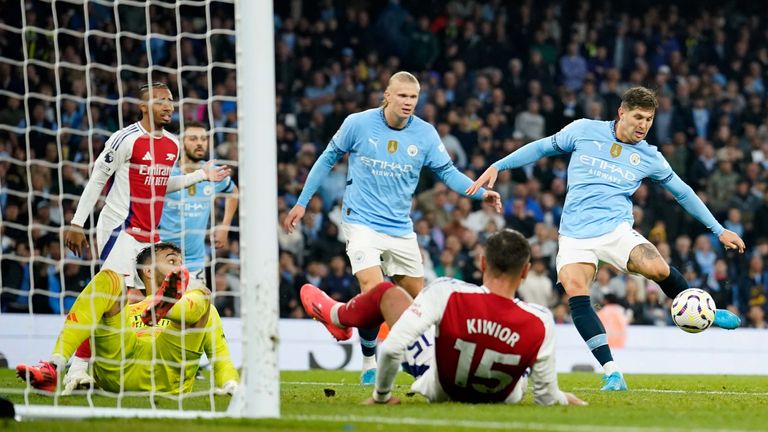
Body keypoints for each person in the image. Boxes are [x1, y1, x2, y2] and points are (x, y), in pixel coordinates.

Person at [467, 87, 746, 391]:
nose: (643, 125)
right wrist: (499, 165)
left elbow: (683, 193)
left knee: (657, 269)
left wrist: (718, 229)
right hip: (574, 235)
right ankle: (612, 372)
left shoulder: (650, 157)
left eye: (649, 119)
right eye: (638, 117)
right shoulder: (583, 130)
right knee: (576, 290)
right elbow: (541, 148)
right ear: (622, 113)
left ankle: (703, 309)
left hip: (616, 231)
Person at [283, 71, 501, 384]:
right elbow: (326, 159)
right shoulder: (357, 123)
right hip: (361, 222)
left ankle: (342, 319)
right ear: (387, 95)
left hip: (400, 228)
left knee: (418, 303)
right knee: (374, 291)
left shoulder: (425, 135)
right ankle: (370, 359)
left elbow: (449, 173)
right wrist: (302, 202)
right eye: (402, 96)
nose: (408, 102)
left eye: (413, 97)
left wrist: (483, 193)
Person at [62, 82, 230, 391]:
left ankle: (215, 372)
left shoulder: (171, 146)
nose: (168, 106)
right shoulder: (125, 139)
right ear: (143, 106)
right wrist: (76, 222)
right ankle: (77, 368)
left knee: (154, 298)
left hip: (150, 235)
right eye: (161, 101)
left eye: (171, 101)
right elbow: (99, 177)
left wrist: (200, 176)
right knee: (111, 295)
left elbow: (162, 186)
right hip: (120, 229)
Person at [301, 229, 586, 406]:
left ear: (483, 263)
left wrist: (381, 397)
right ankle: (336, 315)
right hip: (504, 394)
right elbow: (545, 396)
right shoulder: (540, 319)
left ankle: (336, 314)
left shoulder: (449, 292)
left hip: (439, 386)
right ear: (525, 272)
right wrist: (564, 399)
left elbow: (390, 349)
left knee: (388, 292)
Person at [16, 242, 239, 395]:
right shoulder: (126, 306)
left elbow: (220, 355)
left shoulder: (197, 306)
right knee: (110, 277)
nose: (180, 267)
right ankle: (53, 366)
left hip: (166, 368)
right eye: (172, 261)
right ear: (148, 272)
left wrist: (230, 385)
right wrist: (78, 369)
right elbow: (87, 331)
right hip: (120, 364)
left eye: (181, 262)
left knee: (202, 295)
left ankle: (166, 308)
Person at [159, 121, 239, 282]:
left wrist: (224, 226)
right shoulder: (167, 173)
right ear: (181, 142)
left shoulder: (214, 173)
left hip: (195, 263)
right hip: (162, 258)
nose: (199, 143)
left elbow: (233, 191)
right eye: (193, 139)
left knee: (197, 306)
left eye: (203, 139)